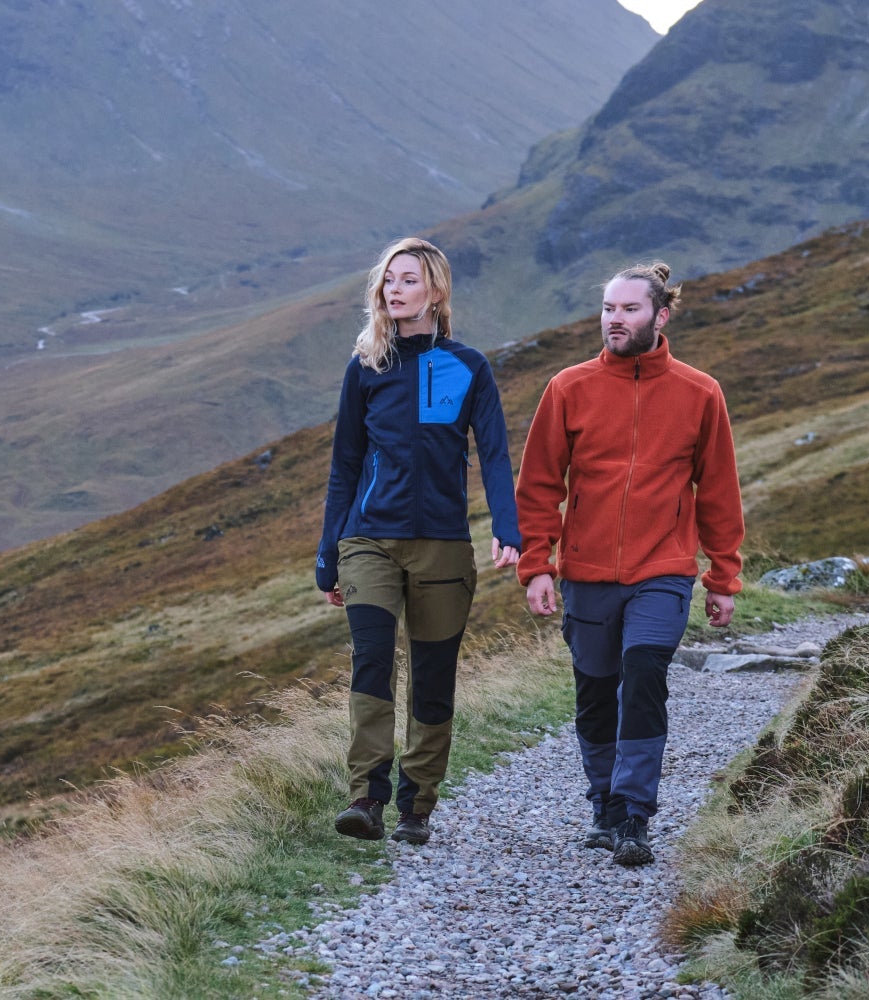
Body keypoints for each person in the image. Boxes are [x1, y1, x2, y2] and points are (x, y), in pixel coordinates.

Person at [515, 261, 744, 867]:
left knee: (643, 675)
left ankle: (634, 813)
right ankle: (604, 806)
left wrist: (724, 576)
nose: (615, 321)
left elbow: (718, 490)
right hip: (586, 573)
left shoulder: (700, 393)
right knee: (595, 692)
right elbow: (539, 485)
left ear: (660, 315)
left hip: (663, 570)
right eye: (608, 310)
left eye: (629, 310)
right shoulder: (569, 387)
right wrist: (537, 565)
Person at [316, 237, 522, 846]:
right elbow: (343, 466)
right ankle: (367, 799)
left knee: (433, 676)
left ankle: (417, 804)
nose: (393, 290)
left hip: (441, 544)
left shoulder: (467, 366)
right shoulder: (367, 368)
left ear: (435, 289)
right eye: (387, 281)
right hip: (368, 540)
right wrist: (329, 552)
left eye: (407, 279)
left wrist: (507, 529)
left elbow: (493, 451)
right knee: (372, 663)